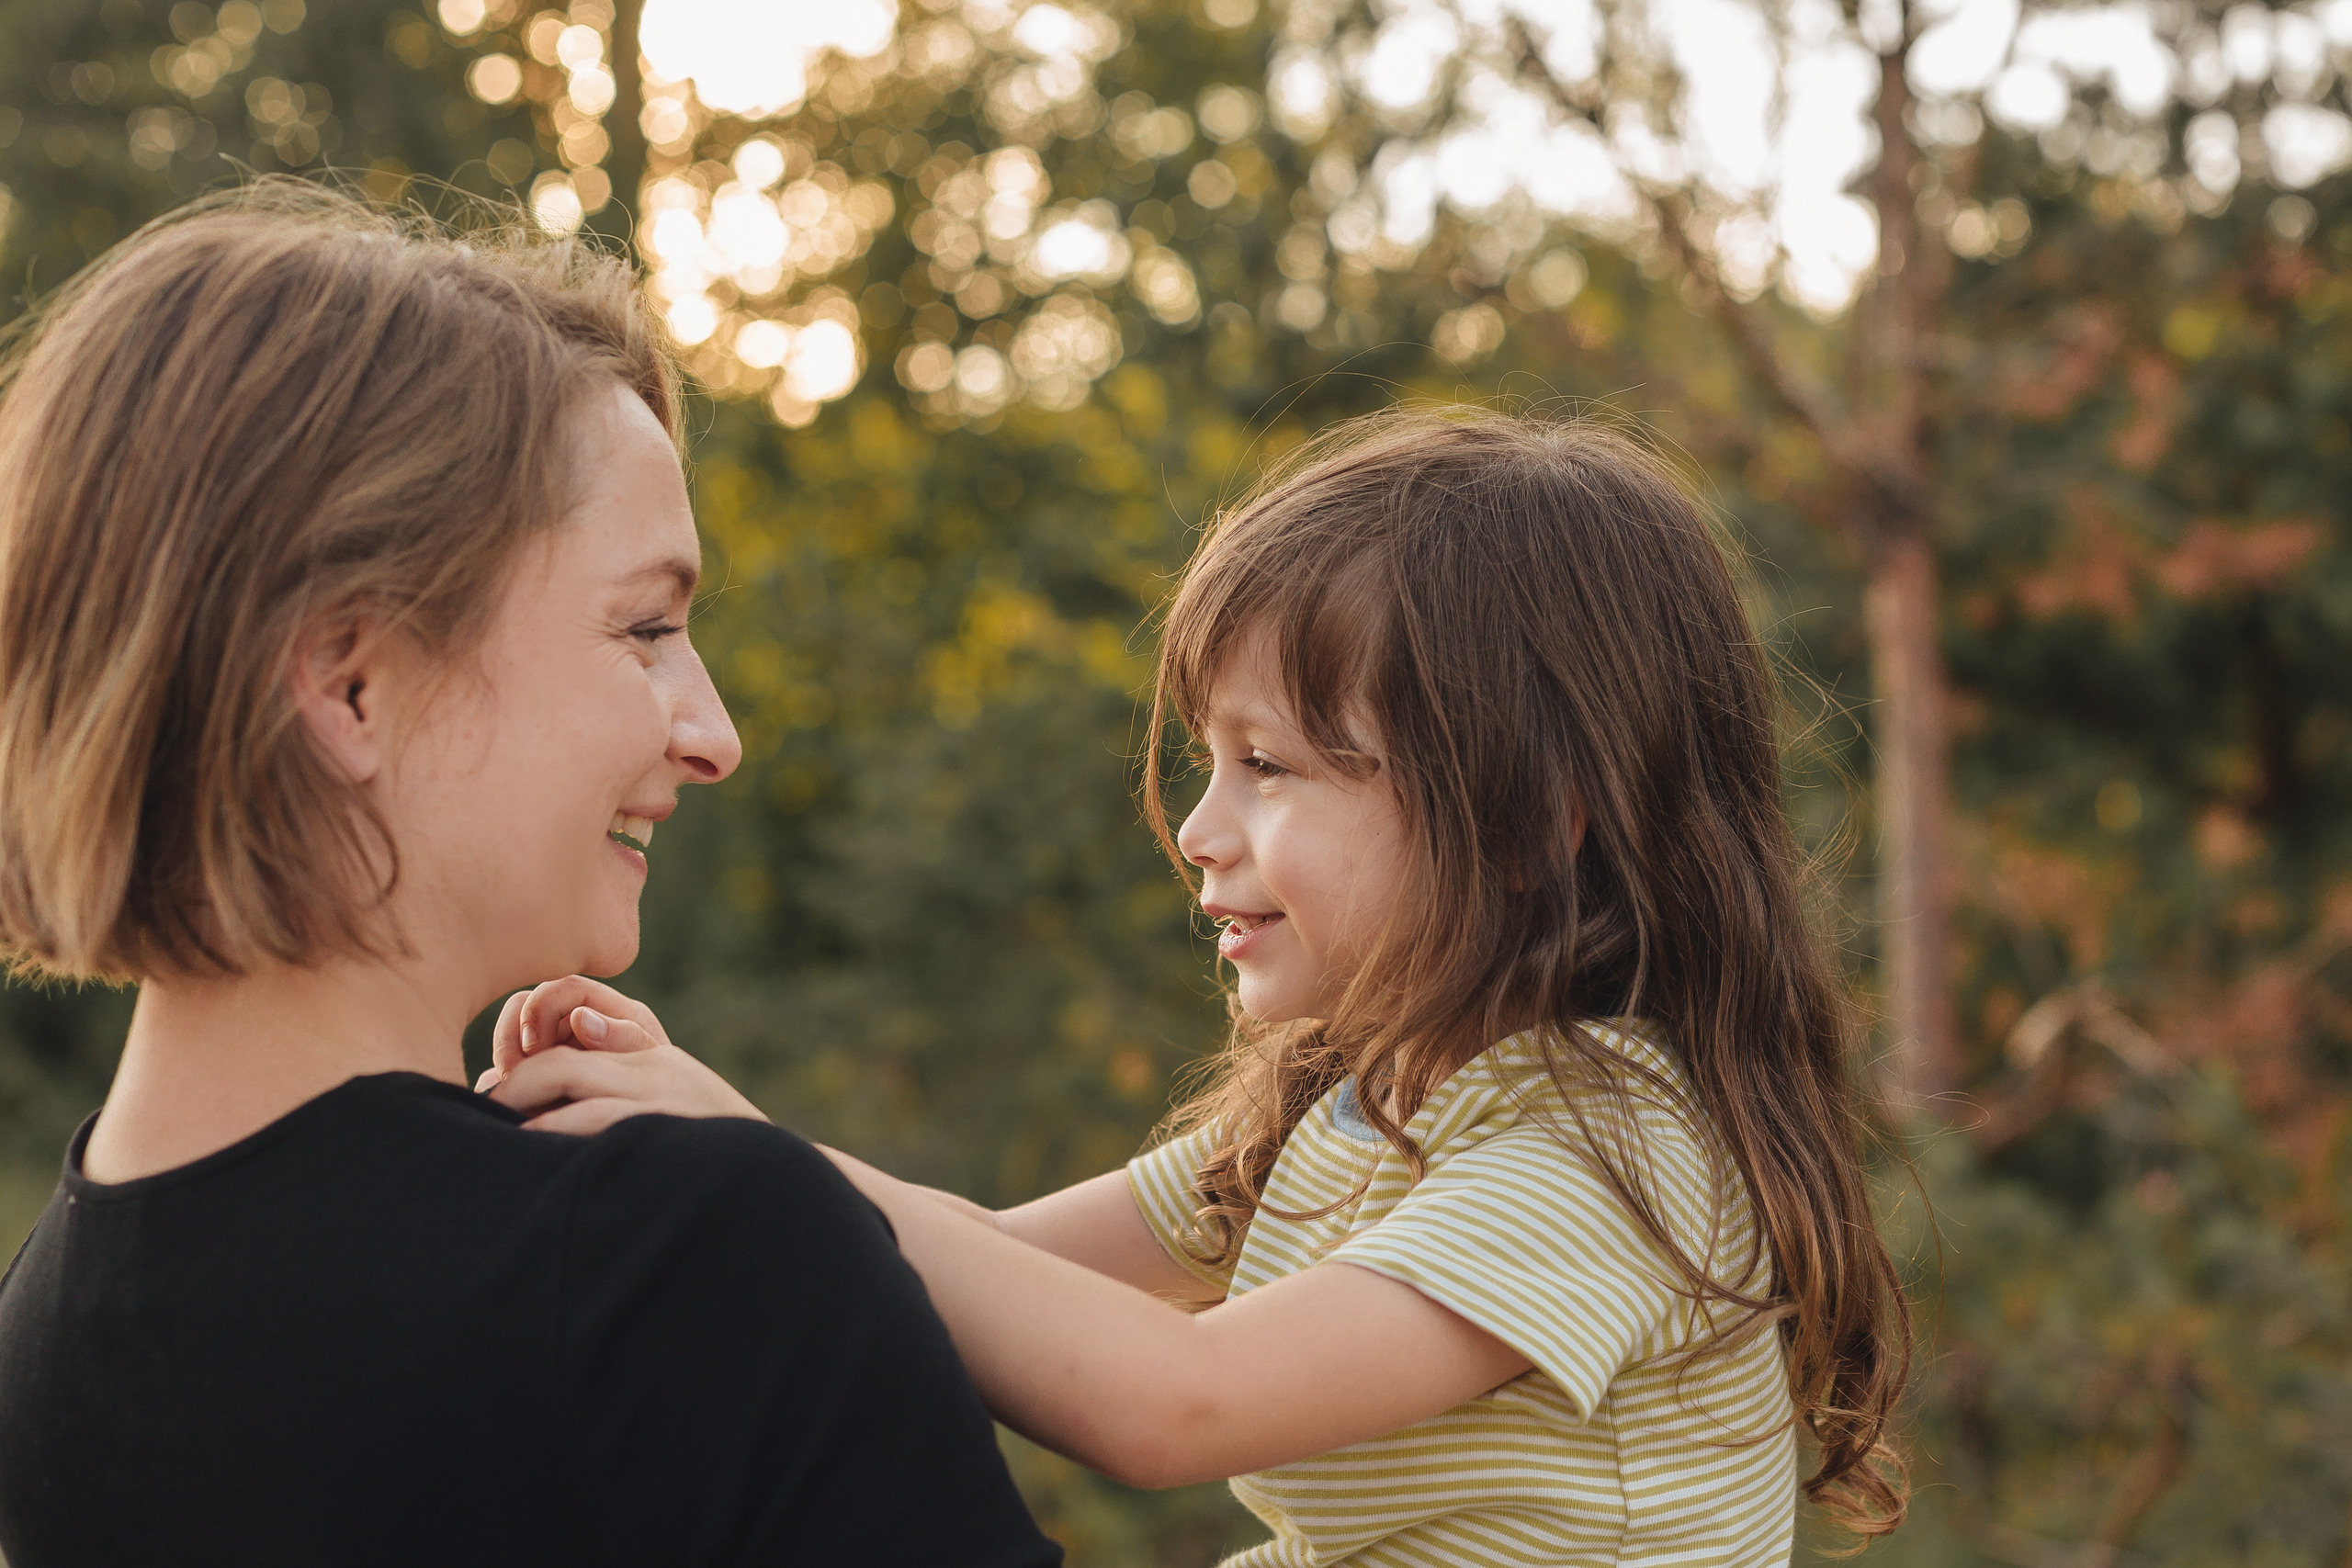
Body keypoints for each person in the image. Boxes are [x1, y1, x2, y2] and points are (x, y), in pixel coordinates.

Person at [491, 408, 1912, 1564]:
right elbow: (973, 1259)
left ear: (1536, 817)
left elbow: (1177, 1404)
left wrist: (740, 1159)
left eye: (1272, 765)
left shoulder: (1608, 1151)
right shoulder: (1352, 1108)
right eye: (1209, 761)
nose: (1197, 830)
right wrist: (689, 1153)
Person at [0, 181, 1060, 1568]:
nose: (715, 734)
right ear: (350, 681)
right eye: (646, 626)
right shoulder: (684, 1263)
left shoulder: (39, 1336)